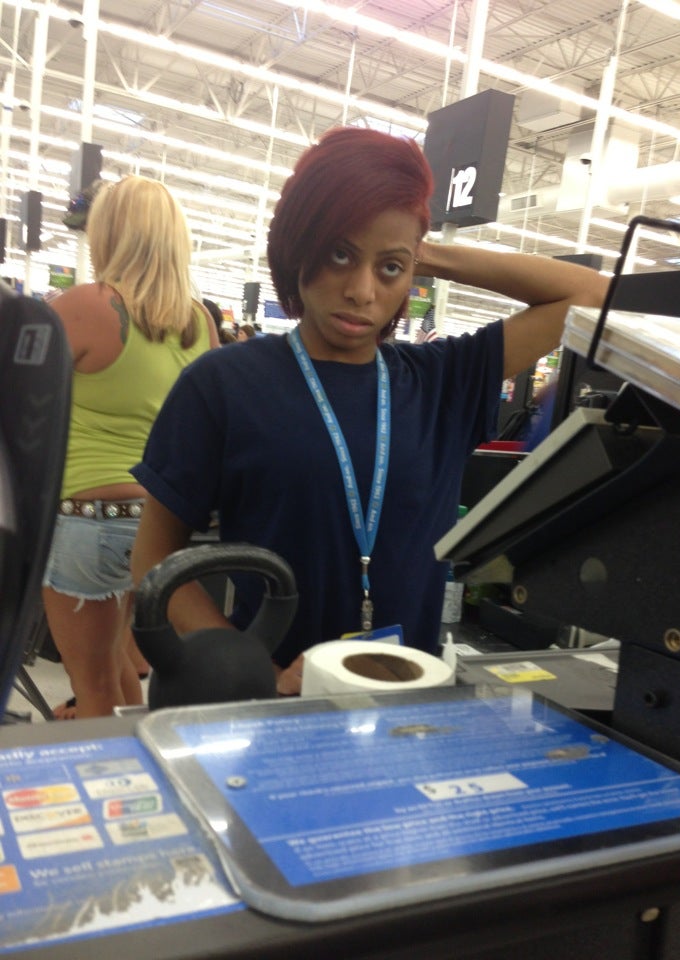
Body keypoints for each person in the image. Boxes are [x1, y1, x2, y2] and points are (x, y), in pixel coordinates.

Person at [130, 127, 608, 697]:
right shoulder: (222, 384)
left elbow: (591, 295)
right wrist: (252, 667)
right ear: (300, 244)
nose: (362, 290)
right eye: (340, 254)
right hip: (274, 700)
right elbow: (154, 557)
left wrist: (417, 247)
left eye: (389, 269)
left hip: (410, 697)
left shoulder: (442, 381)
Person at [42, 175, 219, 718]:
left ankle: (109, 771)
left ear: (109, 233)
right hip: (157, 527)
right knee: (119, 665)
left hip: (86, 519)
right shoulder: (199, 322)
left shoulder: (84, 305)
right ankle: (135, 759)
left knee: (91, 684)